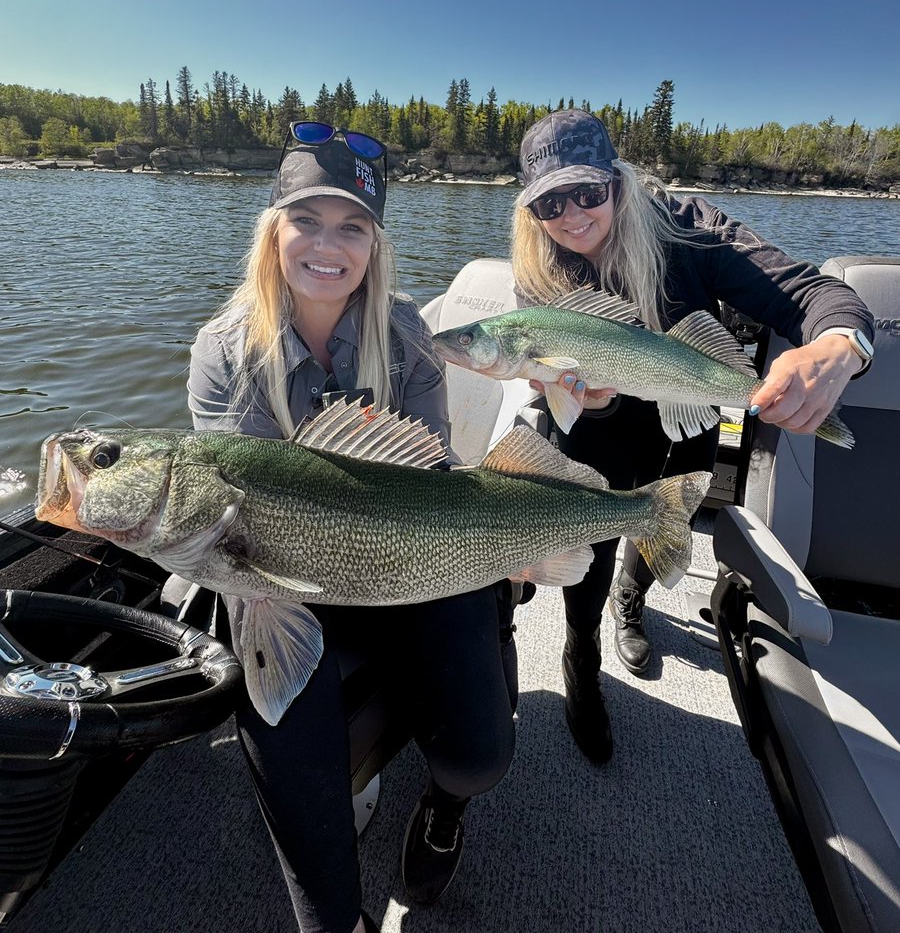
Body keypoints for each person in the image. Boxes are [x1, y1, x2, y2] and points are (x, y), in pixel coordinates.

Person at [187, 122, 516, 933]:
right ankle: (331, 919)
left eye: (352, 227)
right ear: (274, 233)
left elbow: (433, 477)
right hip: (278, 575)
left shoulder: (409, 337)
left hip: (409, 557)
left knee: (478, 756)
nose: (327, 245)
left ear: (375, 242)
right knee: (280, 723)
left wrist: (508, 549)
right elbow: (243, 505)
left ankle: (444, 805)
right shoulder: (224, 351)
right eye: (307, 220)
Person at [510, 108, 875, 765]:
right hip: (588, 435)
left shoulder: (690, 230)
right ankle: (580, 657)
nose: (572, 215)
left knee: (664, 526)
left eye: (587, 191)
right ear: (532, 210)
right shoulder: (539, 262)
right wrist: (555, 389)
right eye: (550, 202)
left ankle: (632, 600)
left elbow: (810, 293)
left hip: (685, 424)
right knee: (585, 552)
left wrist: (838, 347)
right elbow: (540, 368)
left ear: (617, 183)